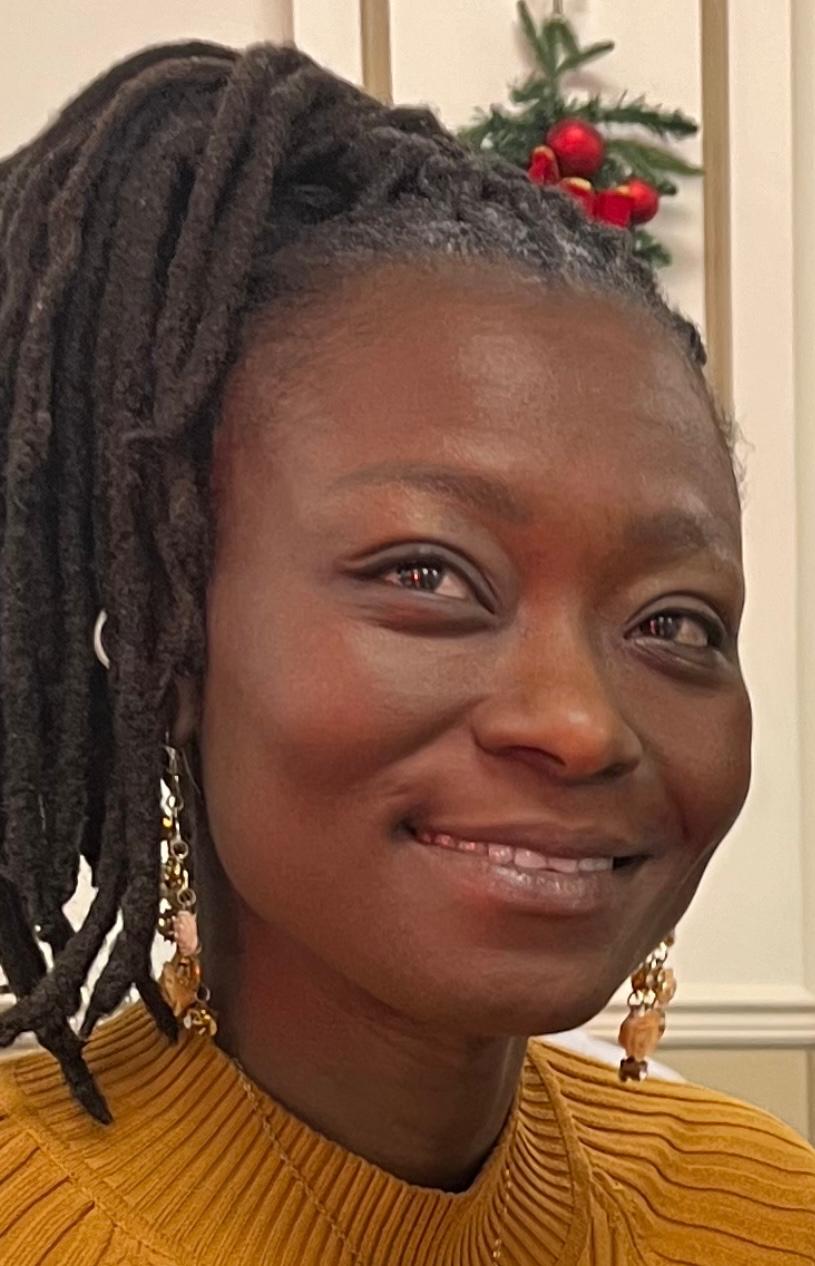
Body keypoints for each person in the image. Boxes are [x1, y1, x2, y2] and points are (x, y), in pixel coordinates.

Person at [0, 40, 812, 1266]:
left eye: (672, 622)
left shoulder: (759, 1210)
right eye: (426, 576)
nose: (580, 724)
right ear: (172, 638)